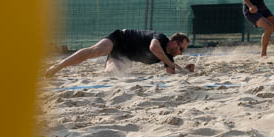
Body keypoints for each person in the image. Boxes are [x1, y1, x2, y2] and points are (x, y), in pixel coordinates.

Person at [46, 29, 193, 78]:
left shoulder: (169, 57)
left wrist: (185, 70)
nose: (181, 53)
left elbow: (170, 76)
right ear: (174, 42)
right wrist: (174, 65)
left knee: (112, 75)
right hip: (121, 38)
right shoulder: (160, 38)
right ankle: (58, 66)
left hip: (123, 55)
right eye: (182, 49)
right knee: (97, 51)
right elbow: (154, 48)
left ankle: (108, 66)